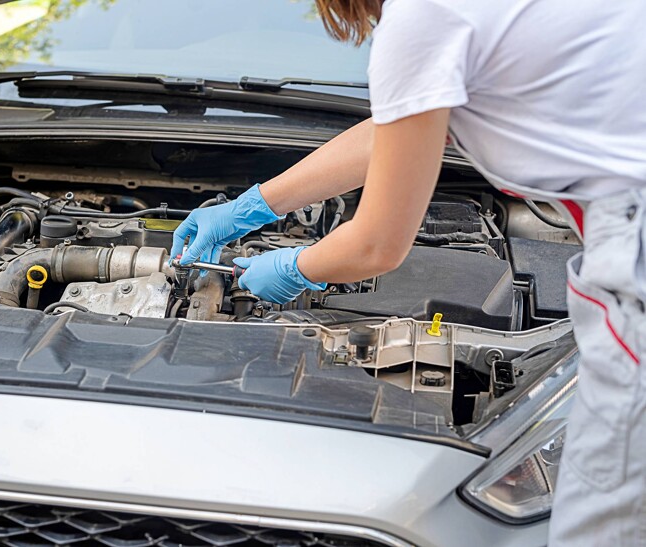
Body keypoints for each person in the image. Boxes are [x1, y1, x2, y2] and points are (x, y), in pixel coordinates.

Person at [171, 0, 646, 543]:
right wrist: (255, 205)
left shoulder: (426, 16)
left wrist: (293, 266)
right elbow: (391, 128)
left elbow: (376, 245)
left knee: (600, 526)